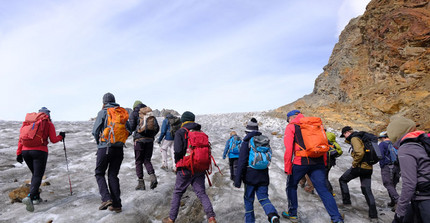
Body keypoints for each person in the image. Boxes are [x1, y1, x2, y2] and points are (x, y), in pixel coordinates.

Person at [283, 110, 343, 223]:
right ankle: (336, 218)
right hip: (318, 161)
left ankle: (292, 214)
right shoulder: (314, 124)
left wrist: (287, 167)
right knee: (323, 190)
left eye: (288, 120)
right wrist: (324, 162)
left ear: (291, 118)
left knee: (291, 186)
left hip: (301, 161)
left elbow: (289, 149)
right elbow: (324, 144)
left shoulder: (292, 126)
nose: (288, 122)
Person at [163, 111, 216, 223]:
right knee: (201, 193)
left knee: (178, 192)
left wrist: (177, 164)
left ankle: (171, 219)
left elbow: (177, 151)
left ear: (183, 120)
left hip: (185, 168)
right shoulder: (200, 132)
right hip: (200, 168)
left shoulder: (181, 132)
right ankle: (211, 218)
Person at [18, 107, 65, 212]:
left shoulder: (27, 123)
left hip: (25, 152)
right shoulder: (48, 123)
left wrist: (19, 153)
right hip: (40, 151)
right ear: (48, 115)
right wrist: (61, 137)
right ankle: (30, 197)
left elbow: (21, 139)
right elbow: (53, 139)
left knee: (35, 174)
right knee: (38, 175)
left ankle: (36, 197)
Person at [234, 118, 280, 223]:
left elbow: (241, 162)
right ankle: (272, 215)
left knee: (249, 200)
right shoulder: (264, 141)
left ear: (247, 131)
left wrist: (238, 180)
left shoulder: (246, 142)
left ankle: (250, 221)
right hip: (263, 175)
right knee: (264, 198)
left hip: (250, 176)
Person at [92, 93, 131, 213]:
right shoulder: (120, 113)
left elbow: (95, 131)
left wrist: (100, 142)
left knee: (99, 173)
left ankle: (106, 198)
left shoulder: (103, 112)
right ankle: (117, 205)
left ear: (104, 102)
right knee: (113, 175)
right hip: (118, 149)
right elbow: (129, 130)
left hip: (105, 148)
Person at [387, 116, 430, 223]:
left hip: (424, 200)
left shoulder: (406, 149)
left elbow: (409, 184)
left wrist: (399, 213)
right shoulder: (423, 142)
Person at [338, 126, 378, 221]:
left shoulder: (354, 138)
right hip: (368, 167)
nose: (345, 137)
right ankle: (374, 216)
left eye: (344, 135)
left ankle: (347, 203)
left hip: (359, 167)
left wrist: (354, 164)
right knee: (366, 190)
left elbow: (359, 153)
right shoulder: (362, 137)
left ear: (347, 132)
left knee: (342, 180)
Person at [129, 100, 160, 190]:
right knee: (147, 160)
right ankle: (152, 176)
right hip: (149, 141)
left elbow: (131, 127)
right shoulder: (149, 113)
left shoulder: (134, 113)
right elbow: (157, 128)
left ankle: (141, 183)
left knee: (138, 161)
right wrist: (151, 136)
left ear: (134, 107)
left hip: (139, 140)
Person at [378, 131, 400, 210]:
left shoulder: (382, 144)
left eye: (380, 138)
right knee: (392, 185)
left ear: (383, 137)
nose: (380, 140)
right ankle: (393, 202)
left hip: (387, 167)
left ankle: (398, 201)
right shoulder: (396, 144)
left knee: (388, 184)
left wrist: (382, 165)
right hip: (397, 167)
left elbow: (380, 155)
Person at [326, 130, 343, 196]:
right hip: (331, 162)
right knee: (326, 176)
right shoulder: (334, 143)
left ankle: (329, 193)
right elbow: (339, 152)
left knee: (324, 177)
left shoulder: (324, 140)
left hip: (326, 161)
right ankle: (330, 192)